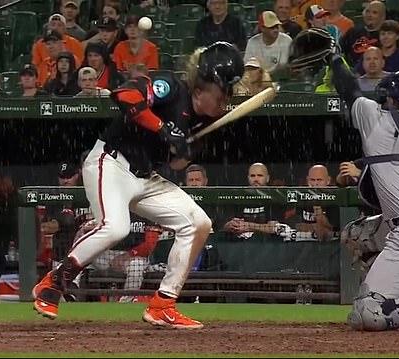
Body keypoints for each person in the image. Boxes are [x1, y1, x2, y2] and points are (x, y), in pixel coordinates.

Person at [32, 41, 244, 329]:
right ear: (200, 88)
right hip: (110, 163)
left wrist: (182, 148)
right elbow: (124, 94)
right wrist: (162, 129)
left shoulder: (201, 123)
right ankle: (55, 281)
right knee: (115, 227)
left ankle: (163, 304)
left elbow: (177, 163)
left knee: (199, 224)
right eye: (221, 94)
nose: (225, 102)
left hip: (145, 178)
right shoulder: (171, 86)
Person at [290, 28, 399, 331]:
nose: (385, 102)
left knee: (367, 313)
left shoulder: (380, 121)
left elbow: (349, 89)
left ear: (396, 101)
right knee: (355, 234)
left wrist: (334, 58)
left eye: (388, 98)